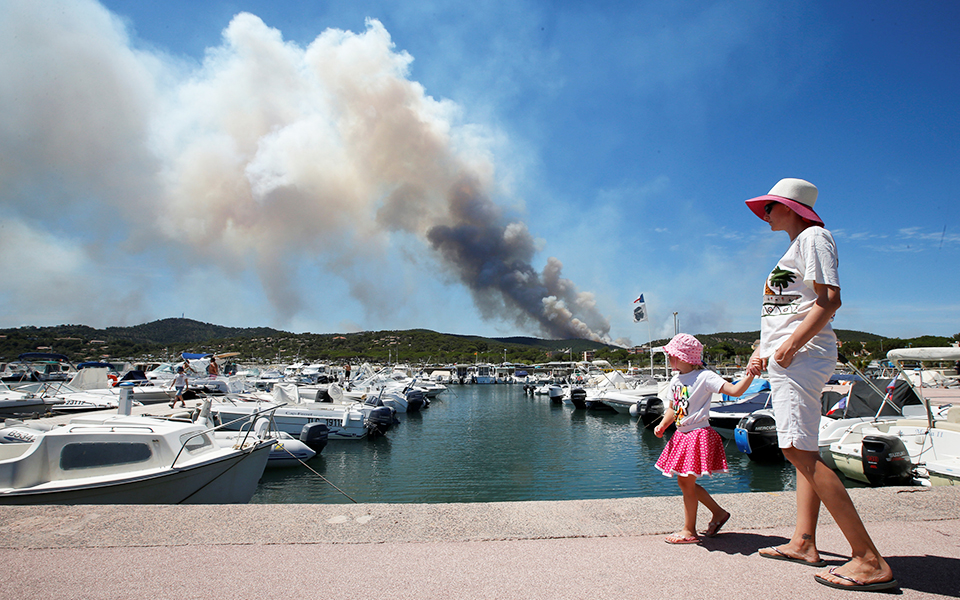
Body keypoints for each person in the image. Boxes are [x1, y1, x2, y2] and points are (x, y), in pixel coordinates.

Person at [744, 178, 897, 591]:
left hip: (801, 356)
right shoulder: (798, 245)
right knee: (804, 449)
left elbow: (830, 299)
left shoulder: (814, 238)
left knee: (795, 449)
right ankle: (804, 541)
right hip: (789, 356)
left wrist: (790, 346)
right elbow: (790, 309)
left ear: (791, 207)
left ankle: (868, 559)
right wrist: (767, 348)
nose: (765, 214)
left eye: (770, 207)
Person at [653, 333, 756, 544]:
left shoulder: (704, 377)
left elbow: (734, 391)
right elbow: (674, 407)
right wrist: (663, 425)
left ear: (683, 357)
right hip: (682, 434)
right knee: (684, 482)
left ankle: (689, 530)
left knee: (686, 482)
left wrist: (751, 374)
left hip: (697, 434)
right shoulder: (676, 379)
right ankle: (718, 513)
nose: (669, 358)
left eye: (672, 355)